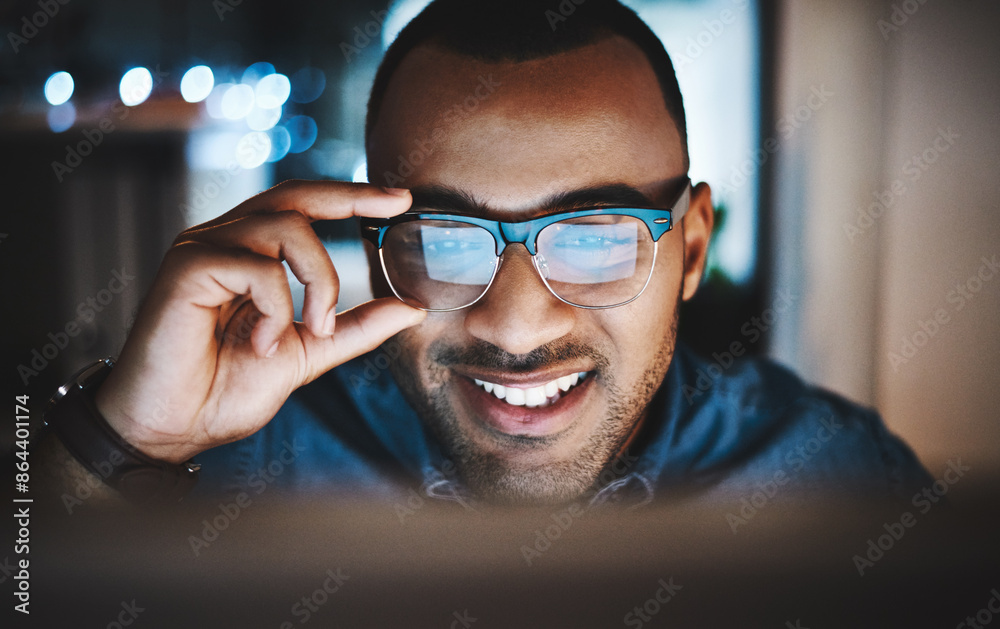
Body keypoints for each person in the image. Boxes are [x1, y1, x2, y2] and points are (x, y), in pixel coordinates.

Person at [39, 0, 929, 509]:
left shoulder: (835, 485)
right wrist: (117, 438)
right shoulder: (237, 462)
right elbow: (27, 585)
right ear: (376, 248)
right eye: (444, 241)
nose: (514, 324)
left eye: (592, 236)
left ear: (690, 247)